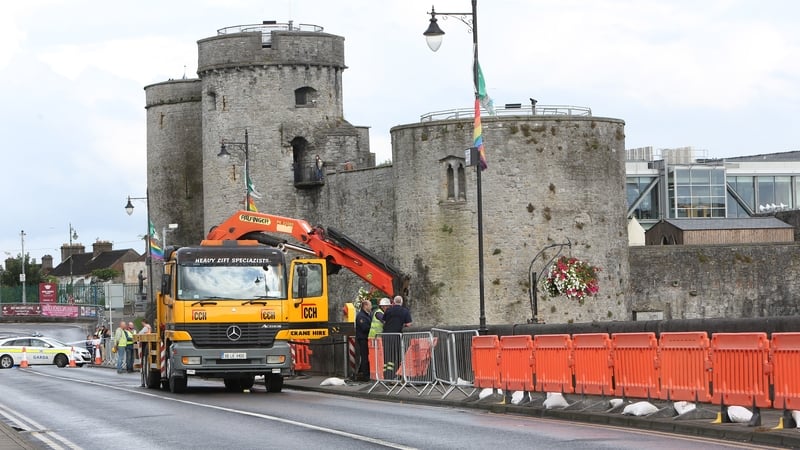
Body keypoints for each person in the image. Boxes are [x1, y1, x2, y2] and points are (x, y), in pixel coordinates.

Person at [381, 296, 412, 379]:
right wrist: (403, 324)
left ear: (393, 303)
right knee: (395, 356)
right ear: (401, 303)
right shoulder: (405, 311)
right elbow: (409, 324)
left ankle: (386, 376)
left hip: (386, 336)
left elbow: (384, 321)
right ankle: (394, 376)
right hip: (396, 336)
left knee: (387, 356)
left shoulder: (388, 310)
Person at [354, 300, 372, 381]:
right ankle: (365, 375)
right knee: (364, 357)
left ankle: (362, 373)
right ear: (365, 305)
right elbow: (364, 328)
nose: (371, 307)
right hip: (363, 339)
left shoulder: (367, 315)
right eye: (370, 305)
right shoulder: (361, 316)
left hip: (366, 339)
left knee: (366, 357)